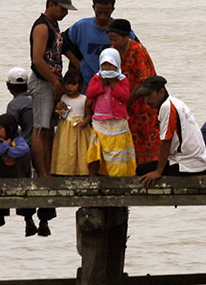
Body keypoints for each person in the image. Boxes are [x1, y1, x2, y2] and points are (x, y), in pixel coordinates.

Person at [29, 0, 76, 178]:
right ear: (51, 5)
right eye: (63, 9)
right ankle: (42, 174)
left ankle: (47, 170)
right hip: (43, 82)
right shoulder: (42, 26)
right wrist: (54, 82)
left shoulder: (53, 26)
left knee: (48, 128)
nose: (65, 13)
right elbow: (37, 60)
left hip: (53, 81)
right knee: (40, 128)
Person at [135, 76, 206, 183]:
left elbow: (166, 141)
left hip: (187, 163)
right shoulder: (175, 102)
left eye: (150, 95)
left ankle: (201, 171)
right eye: (145, 96)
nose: (147, 100)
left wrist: (158, 172)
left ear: (161, 92)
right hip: (197, 160)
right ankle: (204, 170)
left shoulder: (167, 107)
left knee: (141, 169)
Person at [105, 19, 159, 170]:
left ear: (126, 36)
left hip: (143, 101)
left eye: (116, 39)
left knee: (147, 135)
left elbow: (143, 80)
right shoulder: (112, 51)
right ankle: (130, 168)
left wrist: (128, 99)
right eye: (111, 39)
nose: (113, 42)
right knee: (128, 135)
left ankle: (150, 167)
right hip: (123, 103)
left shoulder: (137, 50)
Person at [65, 0, 137, 90]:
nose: (102, 16)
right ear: (93, 7)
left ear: (112, 10)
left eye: (106, 13)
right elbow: (62, 43)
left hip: (113, 84)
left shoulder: (120, 29)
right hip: (86, 83)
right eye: (99, 12)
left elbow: (136, 51)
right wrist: (77, 64)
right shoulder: (81, 26)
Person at [0, 113, 36, 234]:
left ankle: (28, 219)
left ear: (9, 129)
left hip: (18, 175)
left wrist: (7, 152)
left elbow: (23, 149)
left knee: (24, 156)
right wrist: (4, 146)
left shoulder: (18, 139)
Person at [85, 48, 136, 176]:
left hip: (117, 121)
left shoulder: (122, 80)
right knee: (95, 150)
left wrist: (113, 84)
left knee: (117, 152)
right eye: (105, 65)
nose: (107, 68)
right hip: (99, 121)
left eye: (111, 65)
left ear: (117, 65)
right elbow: (90, 94)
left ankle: (118, 177)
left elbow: (125, 96)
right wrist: (102, 83)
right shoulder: (97, 78)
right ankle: (93, 177)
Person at [50, 67, 90, 176]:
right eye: (67, 84)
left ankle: (81, 170)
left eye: (73, 84)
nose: (69, 87)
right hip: (66, 128)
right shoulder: (63, 98)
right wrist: (58, 108)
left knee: (81, 150)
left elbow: (88, 115)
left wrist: (85, 122)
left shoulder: (84, 99)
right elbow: (60, 115)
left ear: (80, 85)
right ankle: (65, 170)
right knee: (66, 149)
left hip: (80, 128)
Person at [5, 67, 33, 144]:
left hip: (27, 143)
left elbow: (10, 129)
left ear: (7, 85)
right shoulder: (36, 98)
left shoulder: (13, 105)